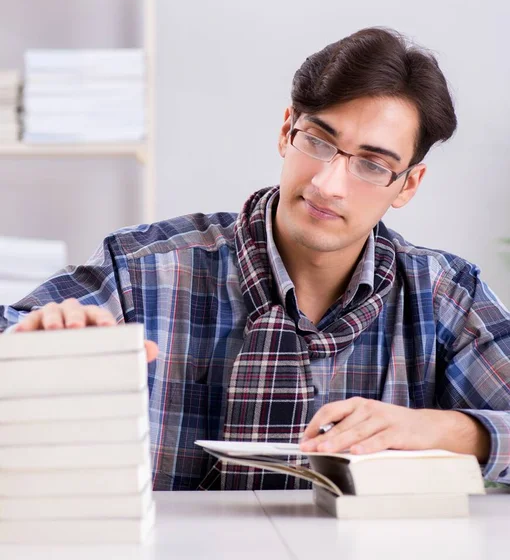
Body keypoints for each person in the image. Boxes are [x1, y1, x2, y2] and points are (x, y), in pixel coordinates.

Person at [1, 27, 509, 491]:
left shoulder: (444, 295)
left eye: (373, 165)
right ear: (287, 130)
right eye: (318, 141)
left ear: (408, 185)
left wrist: (448, 429)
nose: (329, 185)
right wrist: (37, 349)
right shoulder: (142, 269)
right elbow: (13, 338)